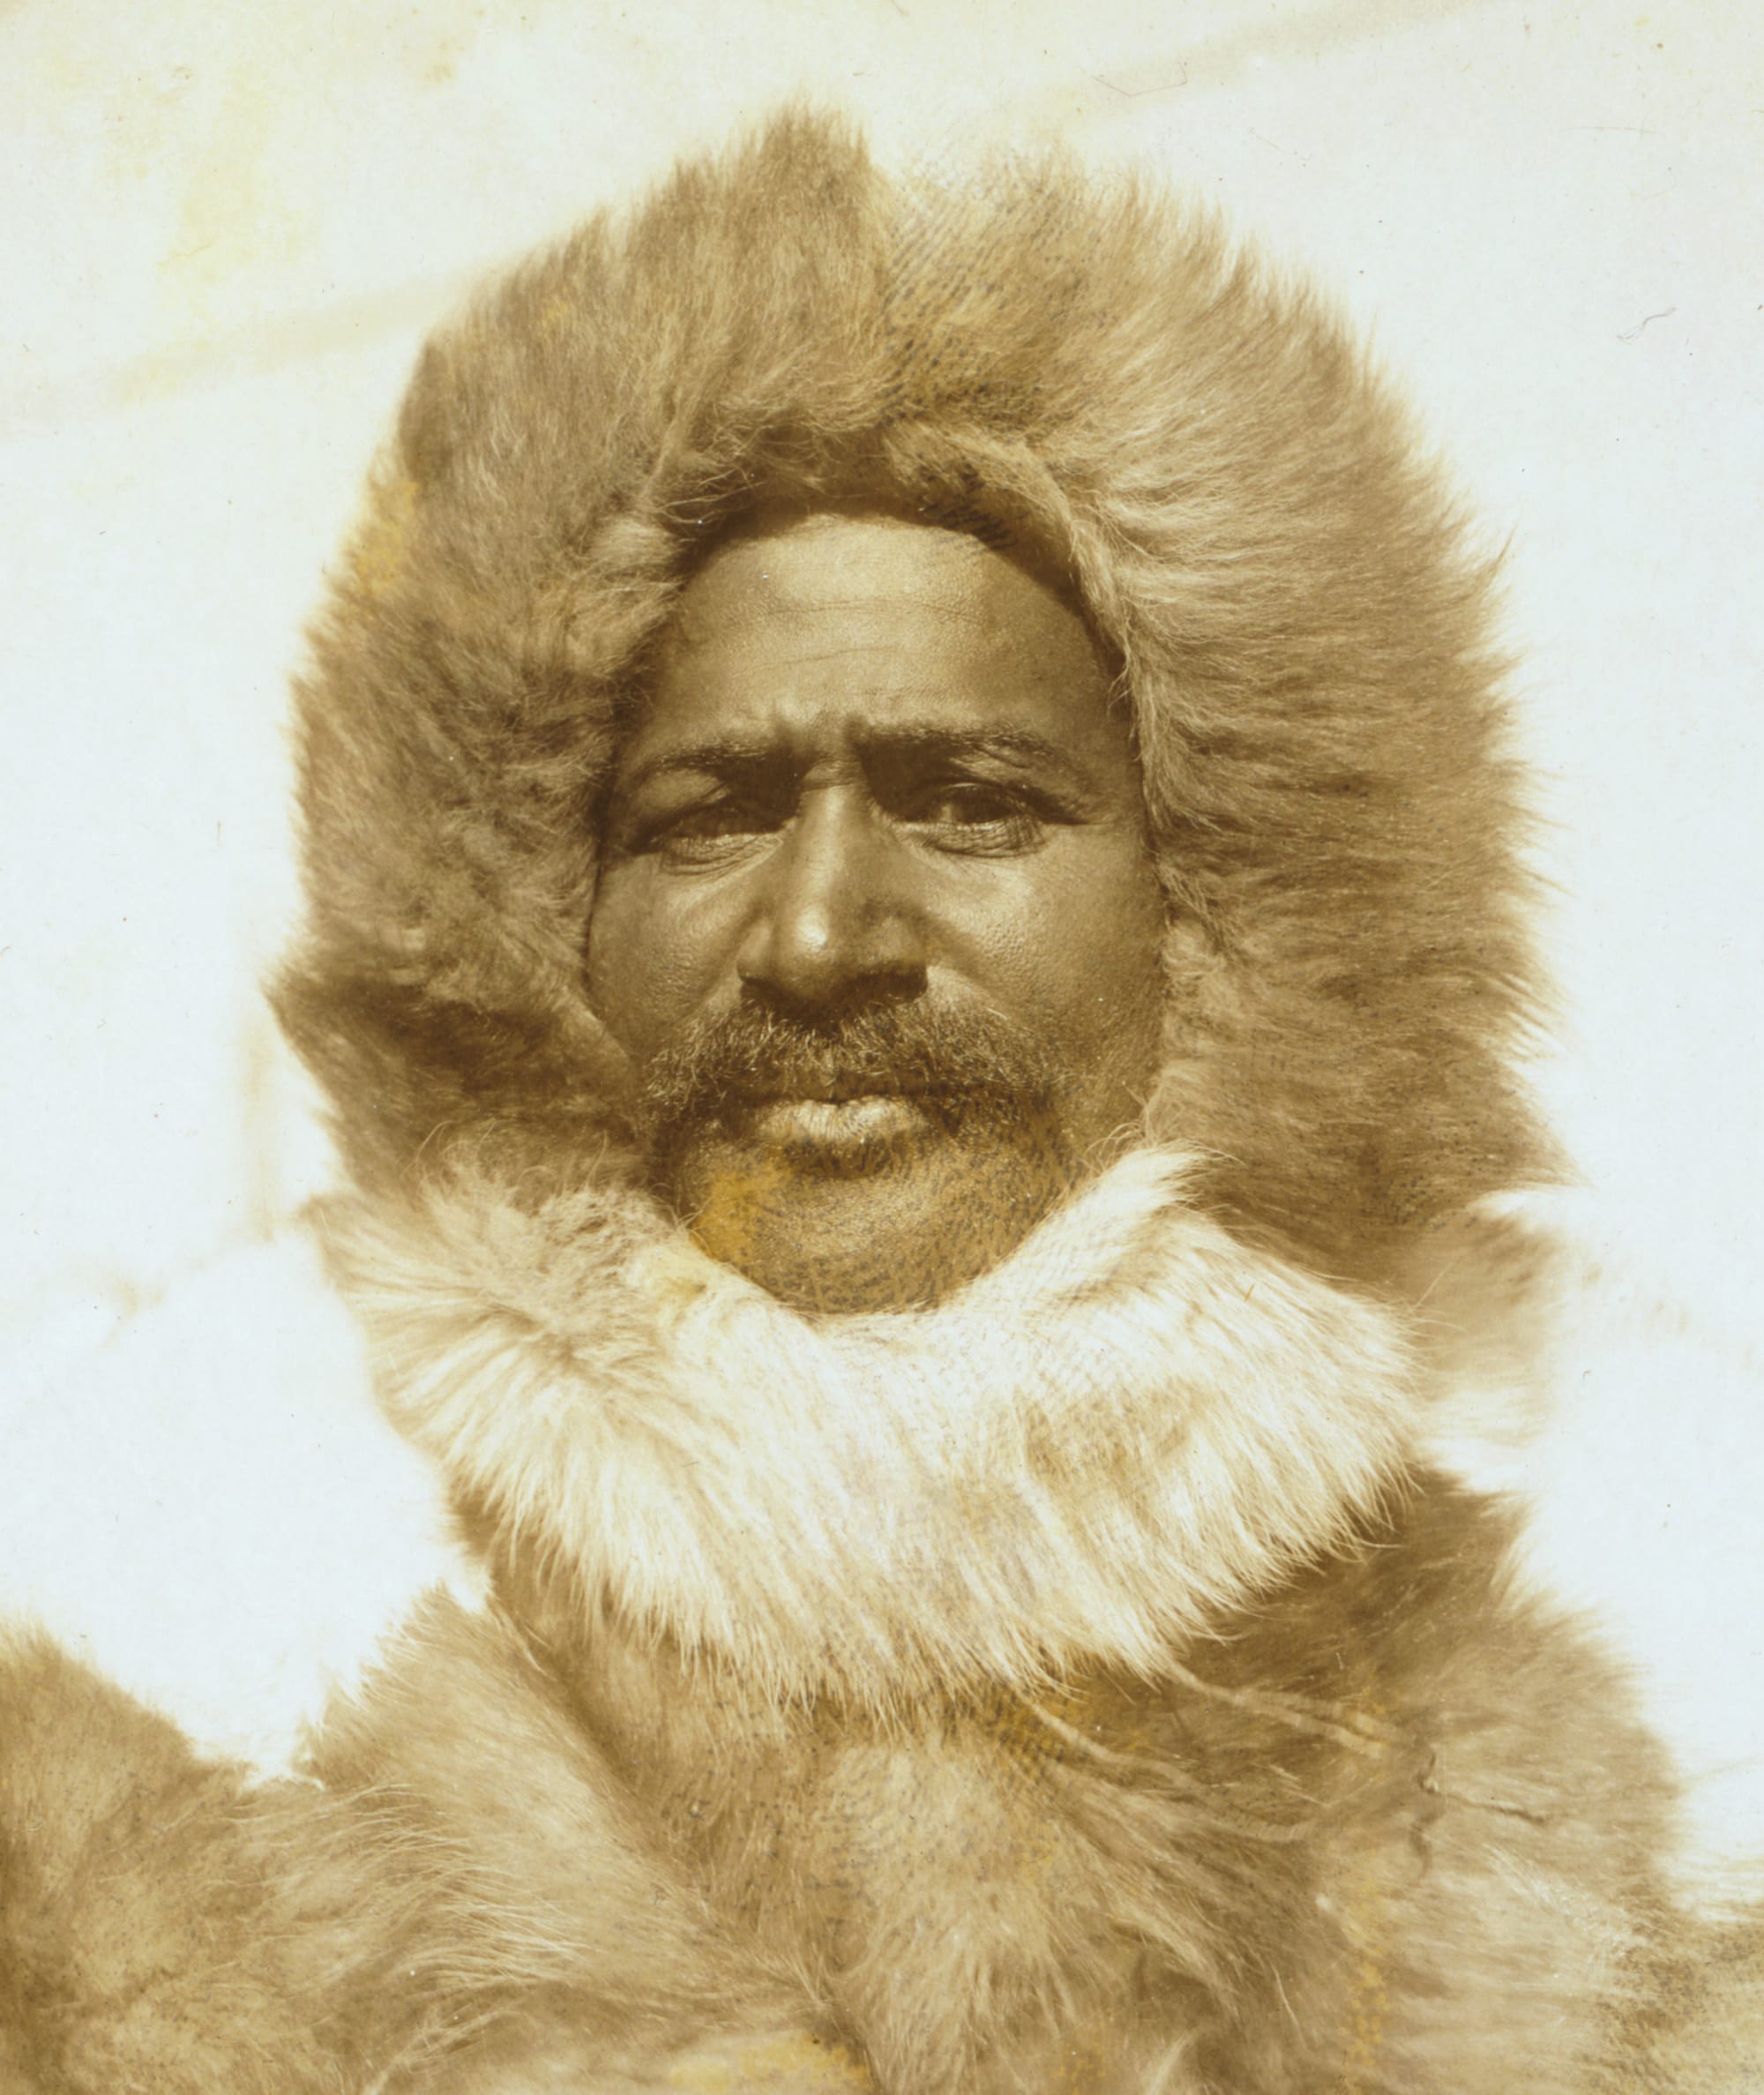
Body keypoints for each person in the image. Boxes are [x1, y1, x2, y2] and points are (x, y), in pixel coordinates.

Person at [2, 112, 1759, 2092]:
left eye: (972, 802)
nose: (826, 931)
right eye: (708, 814)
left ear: (1222, 908)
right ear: (528, 938)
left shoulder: (1682, 1648)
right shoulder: (189, 1647)